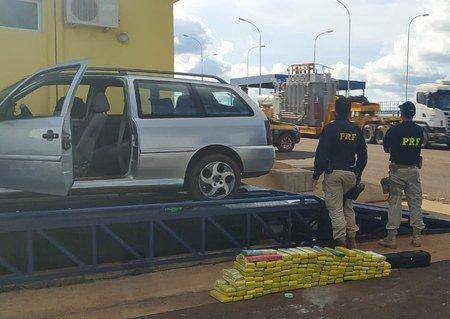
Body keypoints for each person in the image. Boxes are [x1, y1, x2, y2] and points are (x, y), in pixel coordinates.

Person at [312, 97, 368, 248]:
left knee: (336, 208)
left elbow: (321, 154)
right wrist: (358, 173)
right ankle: (352, 240)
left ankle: (341, 242)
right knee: (348, 207)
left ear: (335, 111)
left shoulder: (330, 129)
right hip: (350, 173)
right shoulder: (356, 130)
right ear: (350, 112)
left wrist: (316, 175)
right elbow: (363, 155)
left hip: (334, 174)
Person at [378, 101, 426, 249]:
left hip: (397, 171)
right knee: (415, 203)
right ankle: (417, 236)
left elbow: (386, 148)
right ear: (413, 114)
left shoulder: (395, 130)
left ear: (402, 114)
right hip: (413, 170)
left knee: (395, 204)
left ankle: (391, 238)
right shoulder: (419, 130)